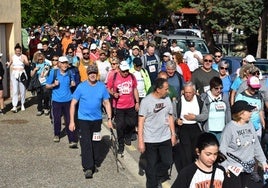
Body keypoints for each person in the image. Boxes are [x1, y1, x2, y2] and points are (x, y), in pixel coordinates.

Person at [69, 63, 113, 179]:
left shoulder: (101, 87)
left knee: (96, 142)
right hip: (83, 120)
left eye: (94, 73)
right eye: (90, 73)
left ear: (97, 74)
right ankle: (88, 167)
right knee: (86, 143)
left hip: (97, 120)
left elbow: (107, 103)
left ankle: (94, 162)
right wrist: (72, 121)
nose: (92, 75)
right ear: (87, 74)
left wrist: (109, 119)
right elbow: (73, 103)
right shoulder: (81, 87)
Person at [138, 78, 177, 188]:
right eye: (166, 89)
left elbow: (170, 117)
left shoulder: (167, 99)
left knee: (167, 161)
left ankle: (157, 176)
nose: (168, 91)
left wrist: (173, 134)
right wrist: (141, 141)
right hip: (150, 139)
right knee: (151, 165)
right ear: (158, 89)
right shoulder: (146, 102)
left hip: (165, 137)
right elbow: (141, 122)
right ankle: (152, 185)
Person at [220, 100, 268, 188]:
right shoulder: (229, 128)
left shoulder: (250, 124)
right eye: (248, 111)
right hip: (233, 167)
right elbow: (222, 149)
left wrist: (263, 161)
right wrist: (225, 166)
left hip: (247, 167)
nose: (251, 113)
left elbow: (256, 145)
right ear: (241, 114)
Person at [106, 60, 139, 153]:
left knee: (132, 123)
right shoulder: (114, 76)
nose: (125, 73)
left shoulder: (132, 76)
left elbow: (135, 89)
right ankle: (120, 144)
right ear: (119, 69)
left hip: (130, 105)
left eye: (127, 71)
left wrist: (137, 102)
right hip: (119, 106)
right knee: (120, 126)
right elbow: (108, 88)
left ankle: (127, 136)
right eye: (123, 71)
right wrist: (113, 93)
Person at [185, 77, 231, 141]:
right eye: (216, 88)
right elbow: (202, 113)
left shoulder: (225, 97)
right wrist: (195, 117)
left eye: (221, 88)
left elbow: (228, 113)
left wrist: (229, 127)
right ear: (211, 88)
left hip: (222, 130)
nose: (219, 90)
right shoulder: (204, 97)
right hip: (209, 130)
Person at [46, 56, 78, 147]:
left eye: (66, 63)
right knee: (57, 119)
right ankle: (57, 134)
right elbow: (47, 86)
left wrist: (73, 84)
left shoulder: (70, 72)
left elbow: (73, 82)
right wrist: (53, 84)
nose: (65, 65)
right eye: (63, 63)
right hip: (56, 100)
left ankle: (72, 140)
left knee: (69, 120)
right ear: (59, 64)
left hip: (68, 100)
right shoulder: (54, 72)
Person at [173, 82, 204, 172]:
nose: (188, 95)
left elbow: (205, 115)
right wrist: (176, 120)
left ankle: (195, 169)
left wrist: (195, 117)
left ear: (194, 92)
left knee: (195, 152)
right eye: (186, 92)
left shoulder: (199, 100)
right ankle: (186, 172)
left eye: (190, 92)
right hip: (184, 128)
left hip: (196, 127)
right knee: (186, 152)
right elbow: (173, 115)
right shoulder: (178, 100)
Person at [6, 43, 29, 112]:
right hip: (14, 74)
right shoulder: (13, 57)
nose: (18, 52)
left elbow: (28, 64)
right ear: (15, 51)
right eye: (16, 51)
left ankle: (22, 104)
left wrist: (24, 61)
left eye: (19, 51)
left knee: (22, 90)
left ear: (21, 50)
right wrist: (8, 64)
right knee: (15, 90)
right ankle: (14, 106)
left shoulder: (24, 56)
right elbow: (9, 64)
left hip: (22, 74)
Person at [30, 52, 51, 116]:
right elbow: (31, 75)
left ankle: (46, 108)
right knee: (39, 96)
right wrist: (35, 70)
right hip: (38, 83)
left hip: (45, 82)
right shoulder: (34, 65)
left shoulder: (46, 64)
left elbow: (47, 73)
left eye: (41, 59)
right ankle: (39, 109)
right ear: (36, 59)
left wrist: (43, 73)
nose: (40, 60)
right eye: (39, 59)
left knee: (46, 96)